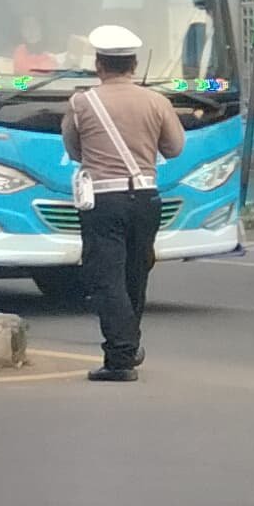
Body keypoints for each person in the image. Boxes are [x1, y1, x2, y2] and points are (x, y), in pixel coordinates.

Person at [63, 22, 186, 383]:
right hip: (147, 197)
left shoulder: (81, 103)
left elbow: (74, 150)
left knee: (106, 276)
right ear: (134, 65)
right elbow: (174, 148)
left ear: (99, 65)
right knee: (136, 272)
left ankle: (120, 356)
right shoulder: (157, 102)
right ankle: (129, 346)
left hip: (104, 199)